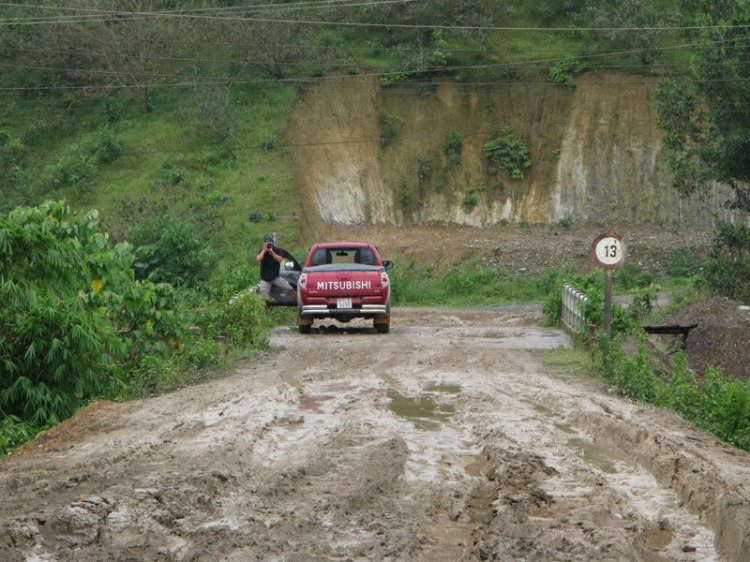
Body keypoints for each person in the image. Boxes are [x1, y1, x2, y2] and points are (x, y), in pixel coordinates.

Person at [256, 235, 295, 299]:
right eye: (266, 242)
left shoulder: (277, 250)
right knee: (262, 297)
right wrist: (264, 250)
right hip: (265, 279)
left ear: (272, 243)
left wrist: (272, 252)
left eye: (269, 242)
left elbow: (280, 259)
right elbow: (258, 259)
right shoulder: (262, 250)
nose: (268, 244)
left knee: (290, 288)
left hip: (276, 277)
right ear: (264, 243)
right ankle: (264, 307)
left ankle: (295, 301)